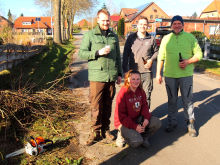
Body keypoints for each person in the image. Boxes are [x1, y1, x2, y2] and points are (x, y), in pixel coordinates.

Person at [78, 9, 122, 146]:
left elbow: (117, 57)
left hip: (111, 77)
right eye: (103, 20)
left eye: (107, 20)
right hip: (97, 76)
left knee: (108, 104)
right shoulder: (90, 35)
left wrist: (119, 73)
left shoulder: (113, 36)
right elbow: (82, 53)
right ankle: (95, 132)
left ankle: (105, 130)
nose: (105, 22)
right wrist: (97, 52)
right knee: (96, 105)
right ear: (97, 20)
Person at [156, 15, 203, 137]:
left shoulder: (190, 37)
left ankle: (190, 124)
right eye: (174, 23)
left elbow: (199, 54)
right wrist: (158, 74)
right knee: (172, 100)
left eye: (179, 23)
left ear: (183, 25)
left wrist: (188, 61)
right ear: (171, 25)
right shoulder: (166, 39)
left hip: (186, 75)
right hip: (170, 75)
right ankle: (172, 122)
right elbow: (161, 57)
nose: (177, 25)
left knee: (187, 100)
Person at [114, 70, 161, 148]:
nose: (136, 81)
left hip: (137, 119)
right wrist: (135, 126)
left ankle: (144, 136)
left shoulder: (141, 91)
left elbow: (145, 107)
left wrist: (146, 118)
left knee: (157, 122)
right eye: (133, 79)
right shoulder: (123, 92)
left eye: (138, 79)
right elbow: (122, 116)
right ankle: (122, 134)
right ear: (128, 80)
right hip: (124, 122)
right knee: (137, 142)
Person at [122, 16, 159, 109]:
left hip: (147, 73)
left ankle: (145, 117)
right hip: (133, 73)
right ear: (137, 25)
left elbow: (157, 52)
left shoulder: (151, 38)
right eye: (141, 24)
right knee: (132, 96)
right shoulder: (131, 38)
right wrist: (125, 70)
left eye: (145, 24)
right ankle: (134, 117)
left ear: (148, 26)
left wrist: (151, 60)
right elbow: (125, 54)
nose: (143, 26)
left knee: (146, 95)